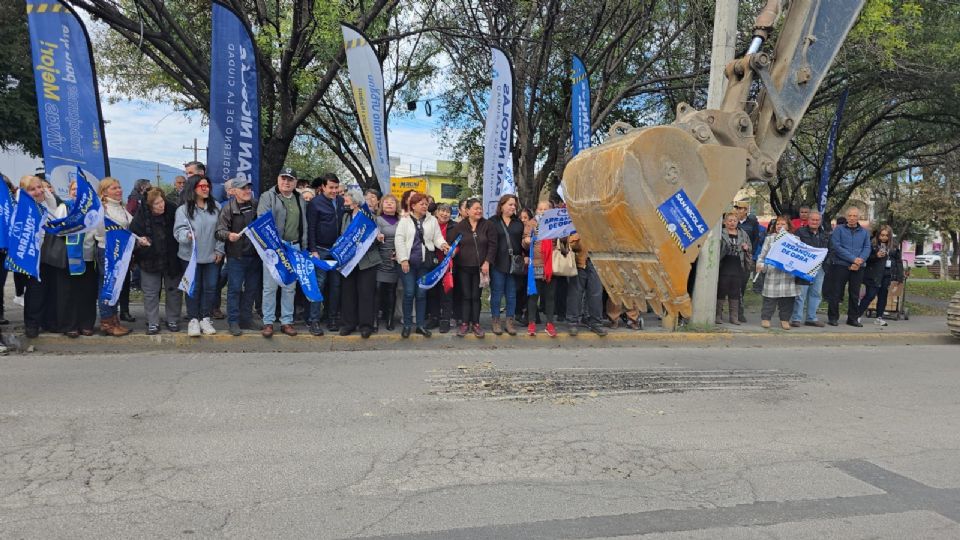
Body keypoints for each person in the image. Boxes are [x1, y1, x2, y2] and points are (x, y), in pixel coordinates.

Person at [259, 167, 309, 337]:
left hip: (294, 247)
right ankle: (268, 322)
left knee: (289, 286)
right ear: (278, 179)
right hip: (273, 248)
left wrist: (304, 247)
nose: (286, 182)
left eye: (290, 179)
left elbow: (304, 224)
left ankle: (286, 321)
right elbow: (262, 221)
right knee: (270, 286)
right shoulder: (268, 196)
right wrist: (273, 245)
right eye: (284, 178)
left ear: (295, 182)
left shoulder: (299, 198)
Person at [174, 176, 224, 337]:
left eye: (207, 185)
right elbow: (178, 231)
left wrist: (220, 250)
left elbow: (220, 231)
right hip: (190, 258)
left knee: (210, 288)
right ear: (192, 188)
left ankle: (205, 318)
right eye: (201, 186)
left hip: (212, 257)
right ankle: (193, 319)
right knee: (193, 290)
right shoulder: (183, 209)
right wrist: (186, 235)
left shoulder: (216, 207)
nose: (205, 188)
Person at [395, 192, 450, 338]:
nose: (425, 206)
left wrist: (443, 244)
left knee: (421, 294)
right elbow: (399, 240)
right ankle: (407, 324)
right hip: (408, 263)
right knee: (408, 292)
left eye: (426, 204)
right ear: (413, 206)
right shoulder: (405, 220)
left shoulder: (432, 220)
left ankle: (419, 325)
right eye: (422, 204)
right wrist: (403, 260)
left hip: (424, 263)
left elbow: (437, 238)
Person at [130, 187, 181, 334]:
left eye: (162, 201)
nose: (161, 205)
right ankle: (153, 322)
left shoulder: (172, 210)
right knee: (150, 292)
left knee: (174, 290)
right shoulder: (141, 216)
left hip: (171, 257)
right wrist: (140, 242)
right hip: (149, 258)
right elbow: (133, 236)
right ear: (149, 205)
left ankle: (172, 320)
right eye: (157, 204)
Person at [216, 178, 261, 336]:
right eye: (243, 189)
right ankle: (233, 321)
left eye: (249, 188)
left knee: (251, 289)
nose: (247, 191)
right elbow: (219, 231)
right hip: (236, 256)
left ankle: (246, 319)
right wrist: (229, 235)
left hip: (255, 255)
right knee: (234, 289)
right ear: (234, 191)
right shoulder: (228, 209)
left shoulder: (256, 205)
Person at [20, 176, 64, 337]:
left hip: (49, 254)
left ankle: (49, 322)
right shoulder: (22, 207)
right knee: (35, 291)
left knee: (52, 290)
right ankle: (32, 324)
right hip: (33, 255)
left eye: (40, 187)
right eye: (33, 189)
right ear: (25, 192)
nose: (38, 191)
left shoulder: (50, 203)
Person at [449, 197, 497, 338]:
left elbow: (493, 245)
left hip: (481, 268)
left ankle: (476, 323)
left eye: (480, 208)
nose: (479, 211)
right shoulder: (460, 226)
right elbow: (451, 243)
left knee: (476, 297)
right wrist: (450, 250)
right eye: (475, 208)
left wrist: (487, 262)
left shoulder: (487, 225)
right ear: (467, 210)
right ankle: (464, 323)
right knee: (466, 296)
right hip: (463, 267)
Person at [93, 177, 135, 336]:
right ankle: (106, 322)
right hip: (107, 251)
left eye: (119, 187)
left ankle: (114, 319)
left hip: (120, 253)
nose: (119, 190)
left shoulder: (121, 207)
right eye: (114, 188)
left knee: (116, 287)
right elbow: (99, 232)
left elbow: (129, 228)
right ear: (104, 192)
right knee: (107, 286)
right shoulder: (102, 209)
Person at [338, 191, 382, 338]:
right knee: (348, 293)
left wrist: (377, 238)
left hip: (367, 261)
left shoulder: (370, 217)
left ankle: (365, 325)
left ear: (356, 203)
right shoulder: (345, 217)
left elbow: (375, 239)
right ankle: (348, 324)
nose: (345, 205)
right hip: (349, 262)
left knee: (366, 294)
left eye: (347, 202)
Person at [306, 173, 344, 335]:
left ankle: (332, 318)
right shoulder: (315, 203)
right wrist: (312, 249)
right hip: (320, 250)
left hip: (337, 251)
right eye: (331, 188)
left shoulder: (342, 201)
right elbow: (311, 228)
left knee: (335, 285)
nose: (334, 191)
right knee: (319, 284)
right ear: (323, 187)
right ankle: (313, 320)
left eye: (336, 188)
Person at [826, 207, 871, 327]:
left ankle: (852, 318)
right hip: (841, 265)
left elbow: (867, 248)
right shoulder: (839, 230)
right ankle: (833, 317)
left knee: (855, 293)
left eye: (854, 216)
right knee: (836, 292)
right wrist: (853, 259)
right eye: (850, 216)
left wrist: (859, 262)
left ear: (858, 217)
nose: (852, 218)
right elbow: (836, 246)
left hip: (858, 267)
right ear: (846, 217)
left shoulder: (864, 232)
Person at [523, 200, 560, 337]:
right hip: (536, 265)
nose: (542, 211)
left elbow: (561, 241)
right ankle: (531, 322)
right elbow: (525, 240)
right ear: (536, 210)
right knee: (533, 295)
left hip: (550, 264)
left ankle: (550, 323)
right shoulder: (532, 223)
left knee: (550, 296)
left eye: (545, 209)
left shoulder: (555, 224)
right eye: (540, 209)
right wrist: (526, 241)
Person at [756, 215, 799, 330]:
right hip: (772, 273)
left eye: (783, 224)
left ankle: (784, 320)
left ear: (788, 226)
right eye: (778, 224)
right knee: (769, 299)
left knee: (787, 300)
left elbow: (799, 258)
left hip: (788, 275)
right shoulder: (769, 239)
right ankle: (766, 319)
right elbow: (762, 255)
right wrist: (760, 265)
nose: (780, 226)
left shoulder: (795, 239)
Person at [489, 194, 523, 336]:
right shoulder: (492, 222)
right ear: (501, 205)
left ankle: (509, 321)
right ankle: (496, 320)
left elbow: (522, 243)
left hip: (513, 264)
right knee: (496, 293)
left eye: (514, 205)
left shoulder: (518, 223)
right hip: (497, 263)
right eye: (510, 204)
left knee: (511, 294)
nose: (513, 207)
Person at [857, 224, 903, 326]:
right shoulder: (872, 244)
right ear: (878, 235)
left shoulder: (894, 246)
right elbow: (866, 258)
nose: (884, 237)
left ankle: (879, 317)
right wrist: (876, 256)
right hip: (873, 274)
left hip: (887, 274)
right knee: (870, 295)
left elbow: (898, 261)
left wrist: (900, 276)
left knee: (883, 296)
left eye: (886, 235)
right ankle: (857, 315)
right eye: (882, 235)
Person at [566, 232, 609, 336]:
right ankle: (572, 322)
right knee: (575, 294)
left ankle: (596, 323)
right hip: (580, 262)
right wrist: (579, 238)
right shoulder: (575, 224)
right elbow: (570, 244)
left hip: (597, 262)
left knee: (596, 294)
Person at [791, 210, 829, 327]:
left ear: (820, 221)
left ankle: (811, 318)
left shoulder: (825, 234)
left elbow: (829, 250)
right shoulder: (800, 232)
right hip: (804, 268)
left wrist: (826, 263)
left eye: (817, 220)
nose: (815, 222)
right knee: (801, 294)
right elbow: (795, 248)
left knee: (816, 293)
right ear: (808, 220)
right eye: (813, 219)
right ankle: (796, 319)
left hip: (820, 268)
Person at [716, 212, 752, 325]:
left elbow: (750, 248)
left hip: (738, 265)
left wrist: (746, 248)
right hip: (724, 265)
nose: (732, 223)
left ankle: (734, 317)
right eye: (729, 220)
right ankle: (718, 316)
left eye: (734, 221)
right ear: (725, 222)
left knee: (735, 291)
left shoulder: (743, 234)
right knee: (721, 290)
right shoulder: (720, 233)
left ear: (737, 222)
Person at [375, 194, 401, 331]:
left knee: (391, 291)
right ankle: (375, 320)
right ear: (381, 205)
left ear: (397, 206)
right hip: (379, 259)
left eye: (392, 202)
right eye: (386, 202)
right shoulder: (377, 219)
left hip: (395, 260)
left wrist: (400, 253)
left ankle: (390, 319)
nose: (389, 204)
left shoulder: (401, 220)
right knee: (378, 290)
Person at [429, 203, 456, 333]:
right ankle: (434, 317)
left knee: (446, 293)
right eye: (442, 211)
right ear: (436, 212)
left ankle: (445, 319)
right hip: (432, 262)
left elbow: (459, 242)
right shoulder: (429, 224)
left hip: (447, 264)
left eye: (447, 212)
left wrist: (454, 250)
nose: (444, 214)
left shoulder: (454, 226)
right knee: (432, 292)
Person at [734, 200, 760, 322]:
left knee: (742, 286)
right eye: (737, 208)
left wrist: (751, 253)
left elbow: (756, 239)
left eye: (740, 208)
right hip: (732, 258)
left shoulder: (752, 223)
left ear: (745, 210)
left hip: (746, 259)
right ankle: (729, 311)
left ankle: (739, 312)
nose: (738, 211)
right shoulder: (732, 221)